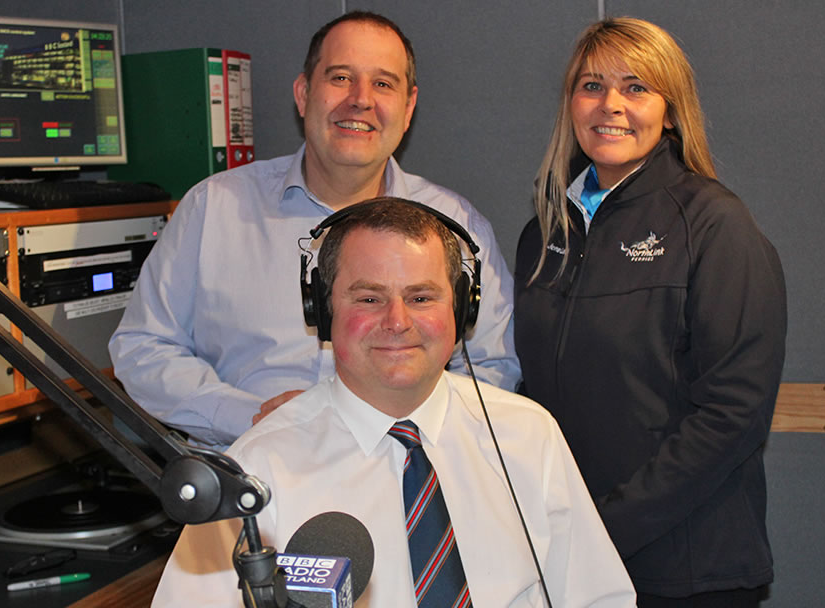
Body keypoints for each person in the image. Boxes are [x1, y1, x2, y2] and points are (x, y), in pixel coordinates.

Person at [151, 198, 635, 608]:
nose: (397, 321)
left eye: (422, 297)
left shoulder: (528, 435)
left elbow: (599, 597)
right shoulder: (258, 471)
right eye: (368, 299)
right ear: (321, 310)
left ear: (462, 309)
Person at [109, 11, 519, 452]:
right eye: (340, 78)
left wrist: (399, 427)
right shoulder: (213, 209)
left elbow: (493, 366)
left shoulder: (457, 227)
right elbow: (143, 348)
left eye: (383, 83)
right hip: (248, 475)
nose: (361, 100)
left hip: (403, 473)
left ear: (408, 107)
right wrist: (248, 417)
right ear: (304, 94)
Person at [514, 17, 786, 607]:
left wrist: (606, 527)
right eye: (591, 86)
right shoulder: (544, 233)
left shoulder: (715, 225)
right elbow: (534, 394)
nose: (610, 104)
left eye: (636, 87)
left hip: (685, 568)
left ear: (670, 112)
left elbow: (733, 412)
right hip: (569, 561)